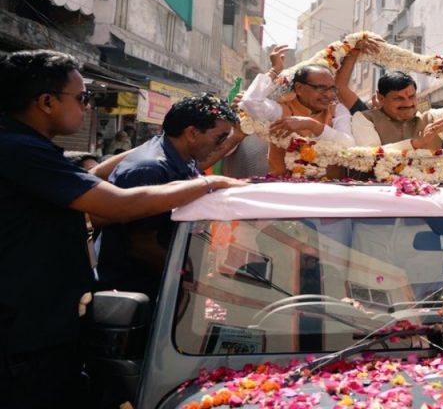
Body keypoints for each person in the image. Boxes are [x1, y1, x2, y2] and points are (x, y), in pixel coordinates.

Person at [0, 50, 244, 408]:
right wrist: (214, 184)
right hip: (26, 330)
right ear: (47, 102)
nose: (87, 106)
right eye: (83, 97)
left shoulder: (29, 147)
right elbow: (120, 203)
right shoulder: (18, 150)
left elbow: (92, 177)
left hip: (45, 320)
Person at [98, 94, 240, 300]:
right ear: (192, 133)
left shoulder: (182, 157)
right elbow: (142, 246)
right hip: (134, 294)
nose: (221, 145)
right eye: (220, 138)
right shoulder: (149, 169)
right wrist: (197, 277)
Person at [240, 44, 356, 176]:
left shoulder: (337, 109)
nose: (328, 95)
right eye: (321, 88)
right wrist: (275, 70)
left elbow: (348, 143)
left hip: (329, 188)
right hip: (285, 188)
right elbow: (250, 102)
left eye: (331, 89)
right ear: (299, 88)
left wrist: (312, 125)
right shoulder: (282, 110)